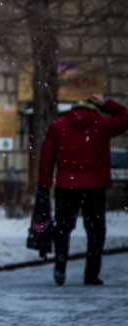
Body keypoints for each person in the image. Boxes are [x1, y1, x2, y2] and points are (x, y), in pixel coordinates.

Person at [37, 93, 128, 286]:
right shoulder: (102, 125)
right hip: (94, 186)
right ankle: (91, 274)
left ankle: (61, 261)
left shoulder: (58, 126)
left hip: (66, 186)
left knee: (63, 227)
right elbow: (125, 118)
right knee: (95, 231)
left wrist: (44, 184)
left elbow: (46, 158)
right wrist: (107, 104)